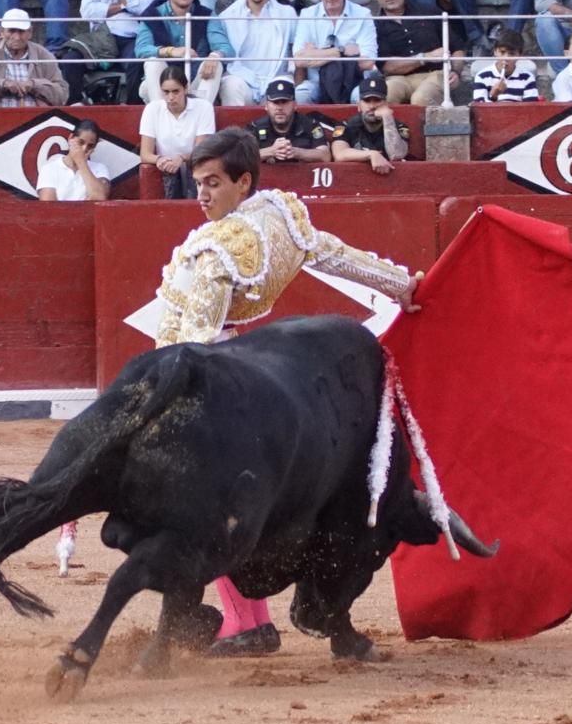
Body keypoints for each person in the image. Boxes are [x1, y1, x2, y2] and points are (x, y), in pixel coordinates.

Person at [152, 125, 420, 655]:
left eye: (211, 183)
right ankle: (255, 618)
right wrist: (401, 285)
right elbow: (334, 255)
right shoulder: (282, 218)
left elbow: (198, 343)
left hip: (204, 377)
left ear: (243, 181)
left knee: (193, 507)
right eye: (196, 182)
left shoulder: (216, 249)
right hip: (246, 372)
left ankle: (237, 623)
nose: (201, 195)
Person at [134, 0, 234, 103]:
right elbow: (141, 49)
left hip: (195, 85)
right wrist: (170, 51)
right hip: (163, 87)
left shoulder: (206, 15)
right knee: (153, 62)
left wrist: (215, 55)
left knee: (215, 63)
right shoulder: (153, 14)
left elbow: (225, 48)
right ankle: (163, 117)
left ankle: (201, 116)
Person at [371, 0, 457, 106]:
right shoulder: (375, 25)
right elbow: (387, 67)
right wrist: (425, 57)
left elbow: (457, 47)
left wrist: (456, 71)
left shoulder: (429, 12)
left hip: (434, 74)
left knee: (421, 98)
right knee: (387, 95)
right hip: (397, 79)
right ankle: (393, 129)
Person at [292, 0, 375, 103]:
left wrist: (316, 53)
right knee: (301, 94)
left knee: (361, 95)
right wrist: (341, 51)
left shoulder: (363, 14)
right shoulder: (307, 15)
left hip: (354, 81)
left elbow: (367, 62)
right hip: (317, 83)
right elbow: (299, 60)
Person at [217, 0, 294, 105]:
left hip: (276, 77)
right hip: (242, 78)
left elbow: (295, 50)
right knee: (231, 85)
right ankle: (234, 129)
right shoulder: (227, 17)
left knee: (285, 87)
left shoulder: (287, 14)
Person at [138, 64, 212, 198]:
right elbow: (145, 154)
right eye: (166, 92)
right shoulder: (152, 109)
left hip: (194, 167)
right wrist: (159, 159)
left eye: (175, 91)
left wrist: (182, 158)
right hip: (167, 172)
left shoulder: (203, 107)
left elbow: (202, 151)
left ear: (186, 88)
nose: (171, 97)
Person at [0, 6, 68, 104]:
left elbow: (62, 95)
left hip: (38, 117)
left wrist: (34, 85)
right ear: (1, 31)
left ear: (30, 32)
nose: (17, 37)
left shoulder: (44, 55)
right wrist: (1, 85)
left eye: (21, 31)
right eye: (12, 31)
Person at [331, 72, 408, 172]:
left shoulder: (398, 126)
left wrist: (388, 119)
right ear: (359, 105)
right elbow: (339, 154)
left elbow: (397, 155)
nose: (372, 106)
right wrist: (372, 154)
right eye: (367, 101)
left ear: (386, 104)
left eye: (377, 100)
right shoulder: (346, 125)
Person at [248, 75, 331, 163]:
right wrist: (271, 151)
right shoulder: (255, 127)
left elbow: (325, 155)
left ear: (295, 105)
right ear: (266, 106)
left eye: (284, 102)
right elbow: (240, 157)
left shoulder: (310, 125)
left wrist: (296, 152)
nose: (280, 108)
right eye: (275, 102)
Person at [36, 117, 110, 200]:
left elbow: (99, 197)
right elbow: (48, 205)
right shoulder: (49, 169)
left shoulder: (99, 168)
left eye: (90, 146)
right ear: (71, 138)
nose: (84, 149)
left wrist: (81, 163)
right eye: (81, 142)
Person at [472, 24, 539, 100]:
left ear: (520, 55)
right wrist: (493, 96)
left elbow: (530, 109)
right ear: (495, 51)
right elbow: (479, 109)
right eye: (502, 52)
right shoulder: (482, 76)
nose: (506, 58)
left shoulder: (527, 78)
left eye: (512, 54)